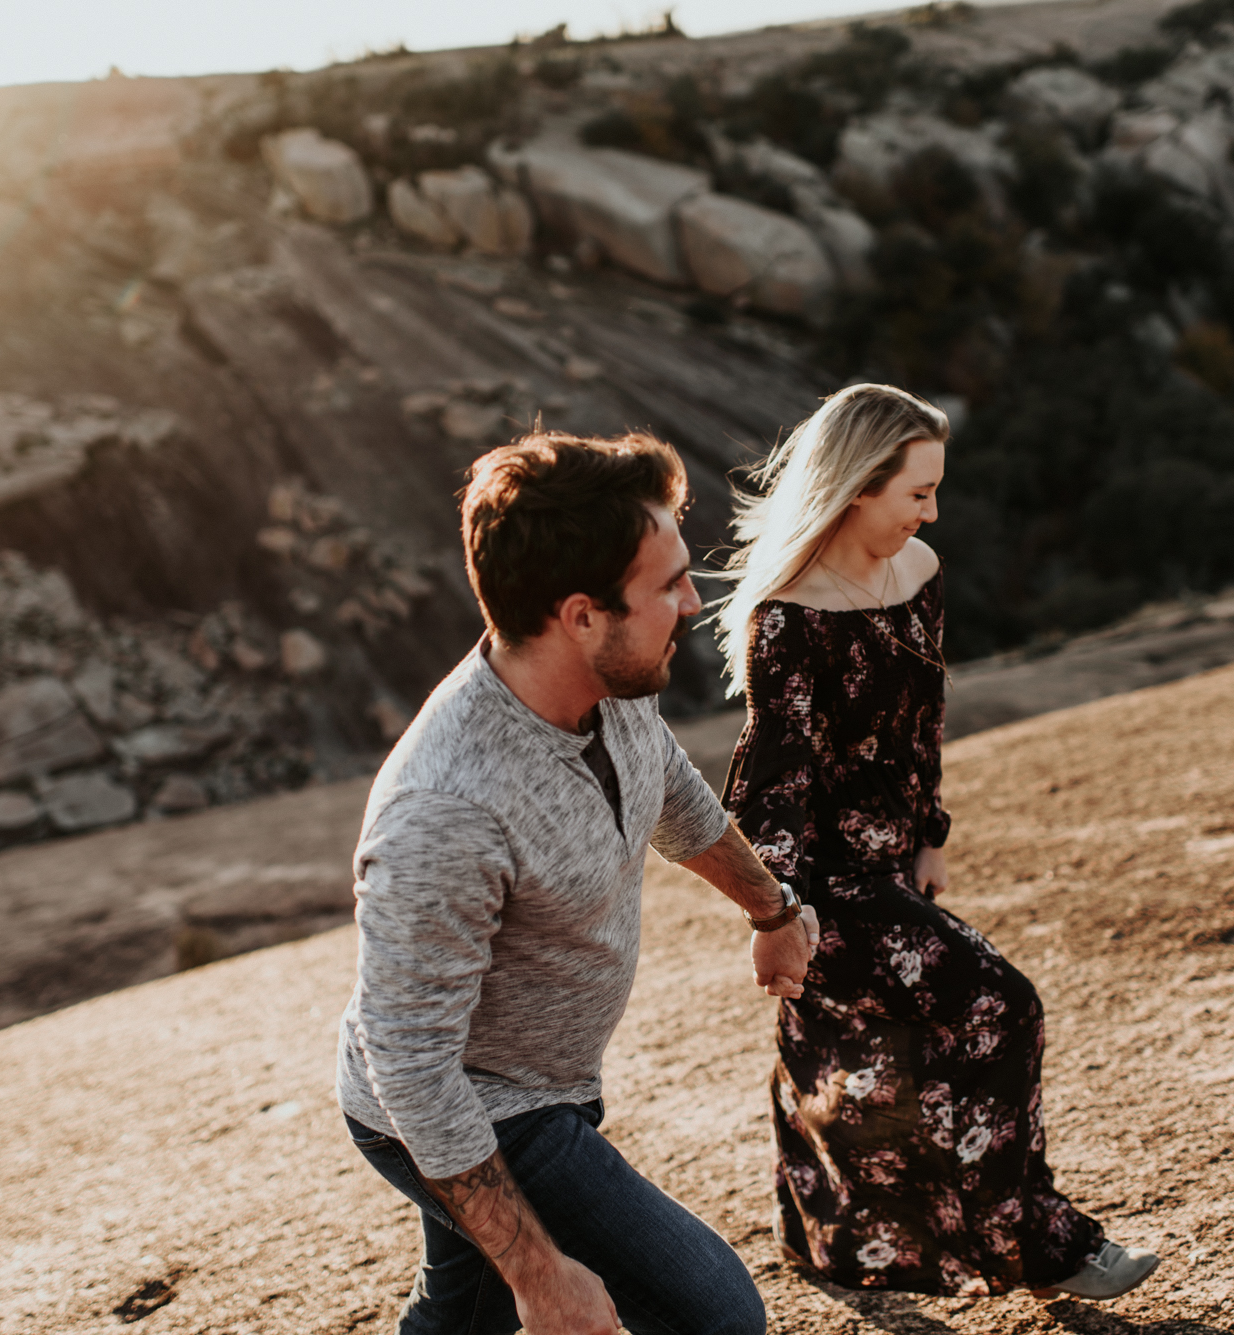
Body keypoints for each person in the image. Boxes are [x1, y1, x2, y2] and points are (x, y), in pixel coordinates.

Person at [336, 430, 820, 1335]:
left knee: (459, 1316)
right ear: (581, 615)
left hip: (538, 1079)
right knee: (715, 1316)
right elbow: (410, 1063)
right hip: (476, 1105)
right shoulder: (445, 808)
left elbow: (670, 792)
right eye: (668, 584)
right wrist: (540, 1272)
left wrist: (773, 907)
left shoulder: (617, 684)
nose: (691, 600)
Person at [712, 384, 1160, 1300]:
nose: (932, 509)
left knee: (857, 1056)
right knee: (1002, 1007)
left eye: (935, 490)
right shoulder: (787, 618)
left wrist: (931, 835)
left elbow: (925, 721)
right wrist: (779, 913)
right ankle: (1045, 1244)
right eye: (917, 491)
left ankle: (822, 1232)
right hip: (825, 883)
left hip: (893, 865)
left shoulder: (918, 570)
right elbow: (779, 775)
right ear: (855, 487)